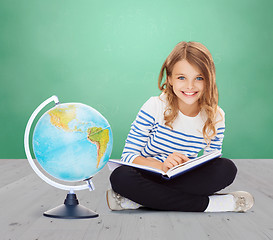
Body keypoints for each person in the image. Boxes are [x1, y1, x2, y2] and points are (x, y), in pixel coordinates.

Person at [106, 41, 254, 212]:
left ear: (209, 80)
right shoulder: (154, 106)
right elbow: (128, 157)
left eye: (199, 78)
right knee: (120, 177)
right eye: (181, 77)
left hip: (184, 179)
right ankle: (209, 205)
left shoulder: (216, 116)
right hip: (150, 175)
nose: (190, 86)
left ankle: (139, 201)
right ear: (169, 79)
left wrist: (187, 165)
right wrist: (162, 166)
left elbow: (211, 162)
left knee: (226, 168)